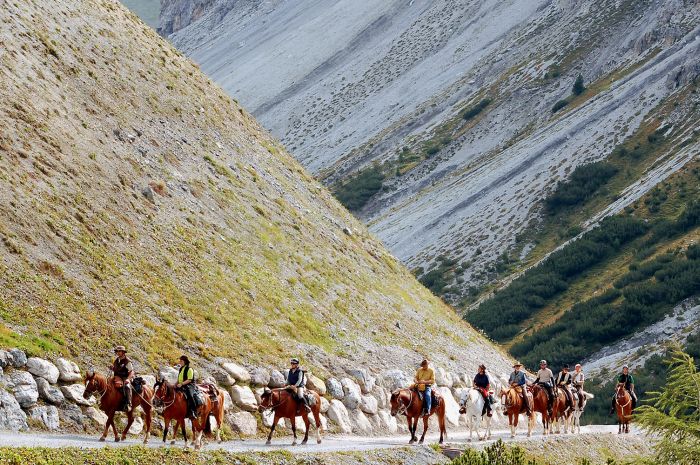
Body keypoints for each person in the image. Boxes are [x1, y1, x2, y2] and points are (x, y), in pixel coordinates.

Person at [111, 345, 134, 410]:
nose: (118, 353)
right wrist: (112, 368)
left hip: (125, 377)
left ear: (123, 352)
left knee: (127, 386)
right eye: (117, 351)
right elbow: (116, 369)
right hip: (117, 377)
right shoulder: (116, 360)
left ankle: (128, 404)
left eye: (119, 351)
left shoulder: (127, 361)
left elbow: (131, 372)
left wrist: (128, 379)